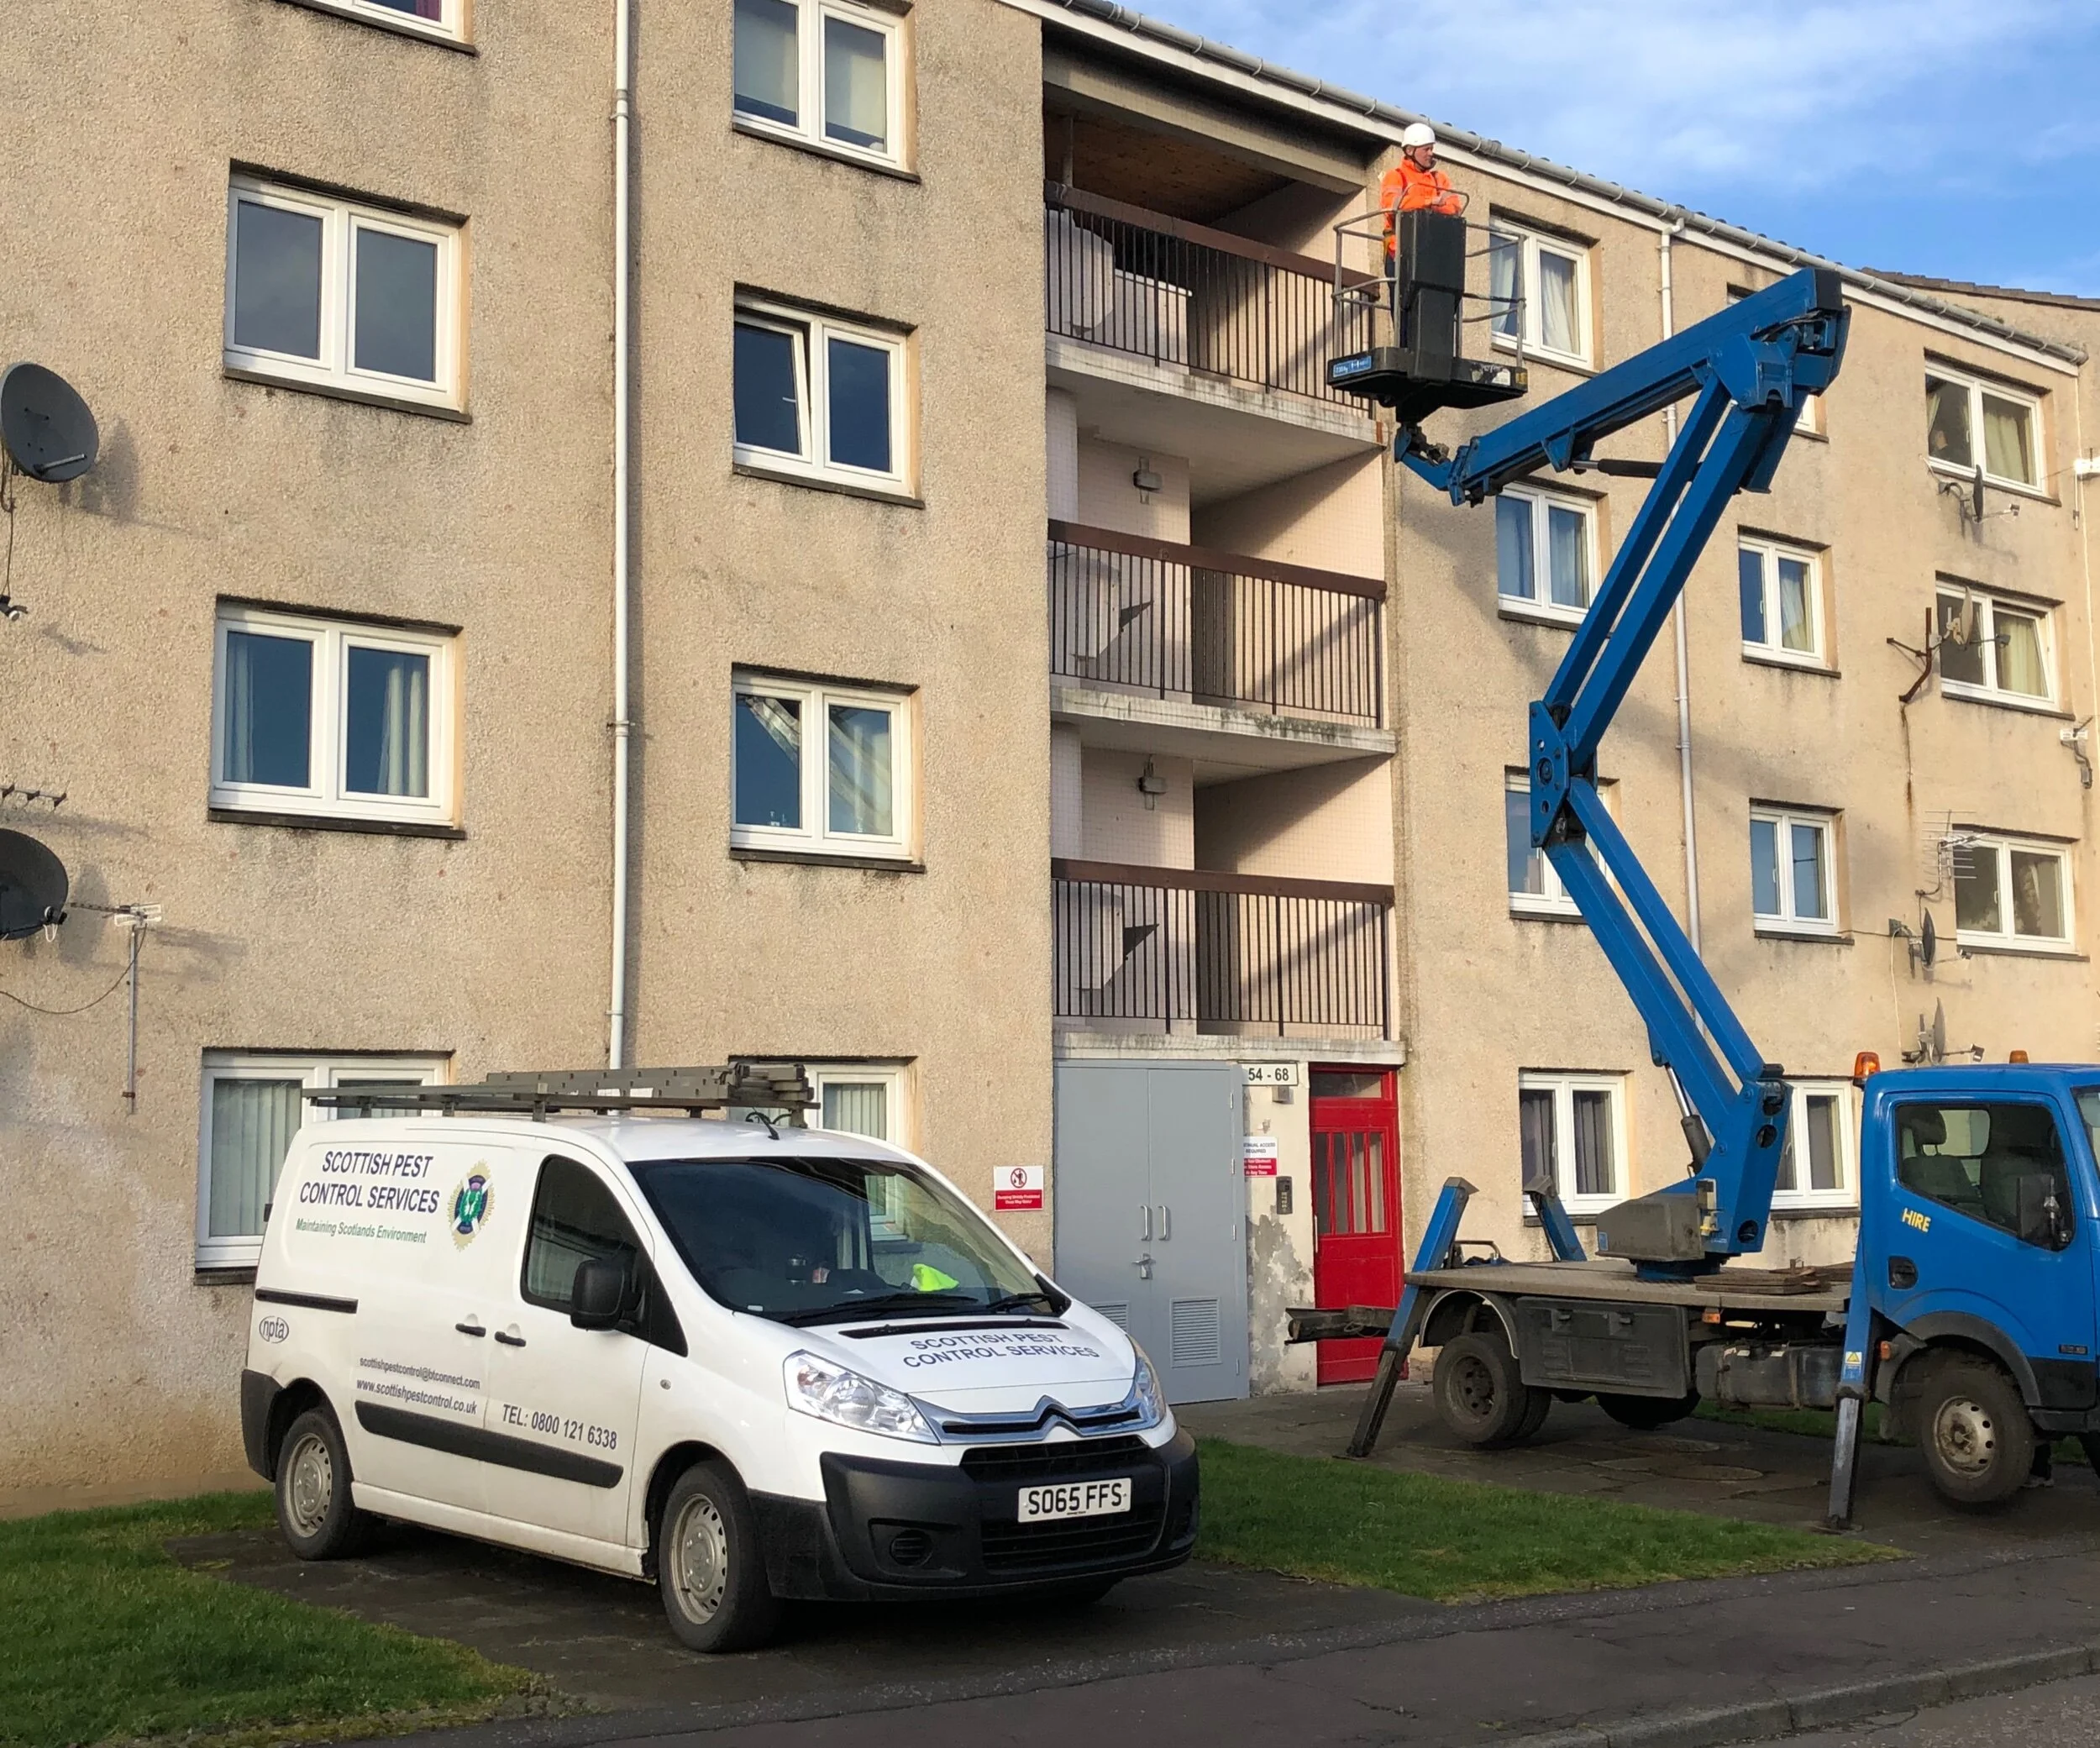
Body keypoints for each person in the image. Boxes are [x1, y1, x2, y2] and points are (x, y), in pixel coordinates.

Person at [1378, 121, 1463, 262]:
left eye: (1432, 149)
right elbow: (1392, 206)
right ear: (1410, 150)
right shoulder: (1396, 176)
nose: (1431, 153)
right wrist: (1430, 202)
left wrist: (1429, 207)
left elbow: (1454, 209)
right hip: (1400, 253)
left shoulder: (1439, 179)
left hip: (1434, 254)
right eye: (1426, 149)